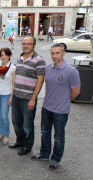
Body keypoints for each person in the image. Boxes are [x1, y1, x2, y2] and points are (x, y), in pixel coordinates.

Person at [31, 43, 80, 171]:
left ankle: (56, 159)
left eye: (57, 53)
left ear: (63, 53)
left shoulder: (71, 71)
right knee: (45, 132)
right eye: (52, 53)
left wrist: (65, 101)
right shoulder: (47, 68)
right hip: (46, 107)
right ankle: (44, 154)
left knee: (58, 136)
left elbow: (76, 92)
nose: (55, 56)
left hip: (61, 111)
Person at [9, 36, 46, 155]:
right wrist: (12, 94)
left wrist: (33, 99)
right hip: (16, 97)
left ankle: (28, 146)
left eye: (28, 44)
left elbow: (40, 81)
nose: (25, 45)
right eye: (24, 43)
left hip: (28, 99)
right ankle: (20, 141)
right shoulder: (19, 58)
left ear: (34, 45)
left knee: (27, 125)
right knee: (16, 122)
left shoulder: (39, 60)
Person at [0, 48, 16, 145]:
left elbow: (13, 84)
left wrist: (11, 97)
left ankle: (6, 135)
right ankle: (0, 133)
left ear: (9, 56)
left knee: (4, 116)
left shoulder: (13, 68)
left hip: (6, 94)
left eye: (5, 55)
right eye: (1, 55)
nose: (3, 57)